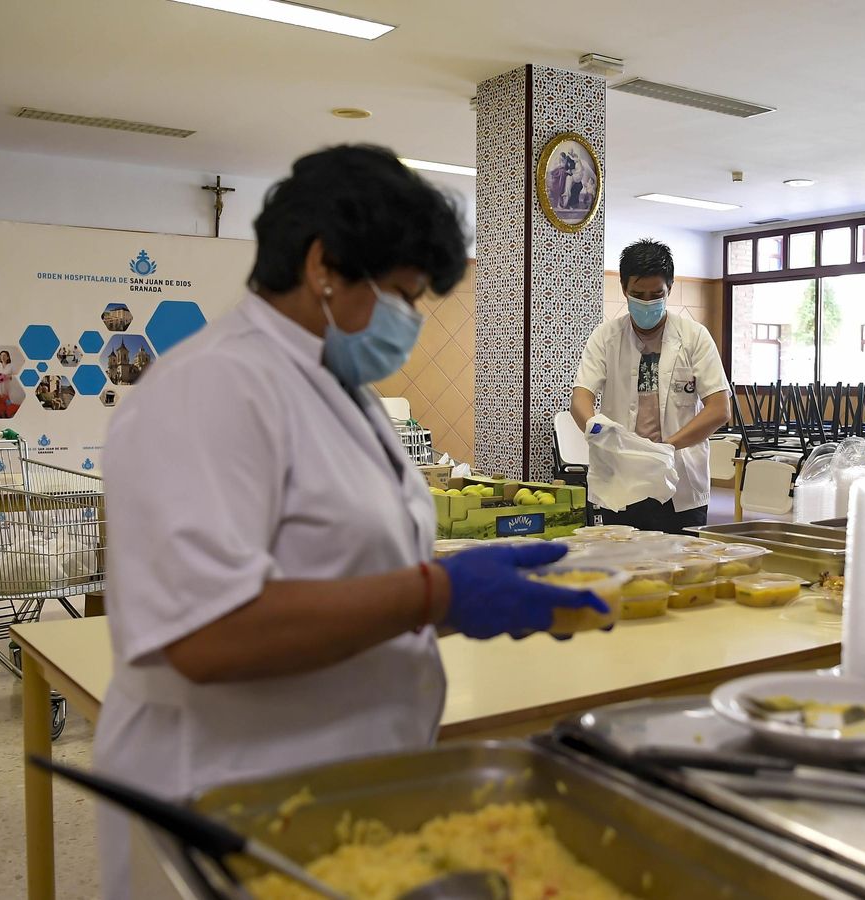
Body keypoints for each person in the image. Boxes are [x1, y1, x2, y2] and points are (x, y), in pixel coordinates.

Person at [93, 144, 610, 900]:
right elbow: (205, 634)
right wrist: (433, 597)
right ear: (323, 266)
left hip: (335, 791)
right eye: (400, 292)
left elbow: (341, 573)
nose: (408, 321)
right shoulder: (213, 388)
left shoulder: (340, 387)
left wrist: (450, 606)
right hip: (227, 799)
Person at [571, 239, 731, 534]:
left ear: (669, 289)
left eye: (656, 295)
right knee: (623, 569)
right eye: (638, 294)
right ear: (623, 290)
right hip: (621, 481)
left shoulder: (695, 337)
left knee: (681, 572)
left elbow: (719, 409)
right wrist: (595, 427)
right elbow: (581, 398)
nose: (647, 302)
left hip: (680, 484)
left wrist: (665, 448)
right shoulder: (605, 337)